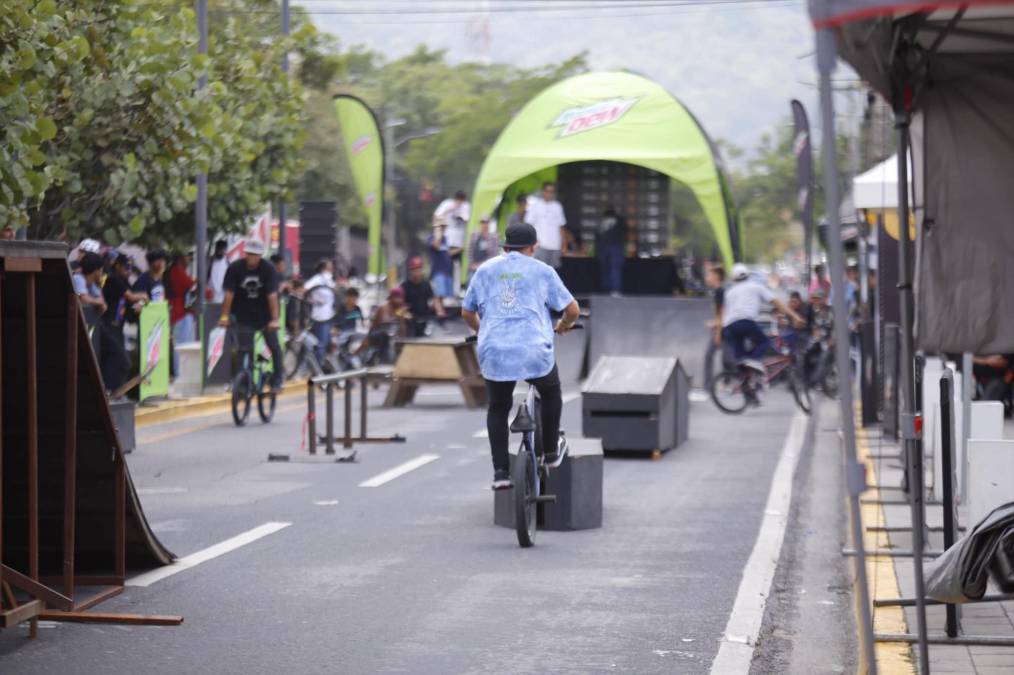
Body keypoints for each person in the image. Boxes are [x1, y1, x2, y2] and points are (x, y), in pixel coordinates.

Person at [462, 220, 581, 490]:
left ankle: (501, 473)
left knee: (498, 407)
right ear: (534, 247)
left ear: (505, 246)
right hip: (533, 351)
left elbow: (467, 312)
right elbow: (571, 309)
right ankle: (550, 452)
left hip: (495, 352)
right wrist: (562, 327)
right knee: (551, 393)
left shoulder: (485, 270)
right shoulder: (543, 271)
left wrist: (484, 332)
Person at [217, 238, 284, 392]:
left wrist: (274, 320)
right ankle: (243, 382)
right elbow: (229, 294)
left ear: (261, 255)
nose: (252, 258)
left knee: (274, 346)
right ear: (245, 253)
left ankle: (278, 379)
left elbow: (272, 296)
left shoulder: (269, 269)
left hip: (265, 315)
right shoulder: (235, 268)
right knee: (244, 349)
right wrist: (224, 316)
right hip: (243, 314)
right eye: (249, 254)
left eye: (256, 255)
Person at [720, 263, 803, 373]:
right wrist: (795, 316)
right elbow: (778, 304)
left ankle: (745, 380)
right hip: (745, 322)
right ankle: (753, 361)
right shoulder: (756, 287)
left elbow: (724, 312)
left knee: (741, 358)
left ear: (734, 278)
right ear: (748, 276)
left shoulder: (729, 292)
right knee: (763, 342)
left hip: (729, 327)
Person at [99, 254, 148, 392]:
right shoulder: (113, 279)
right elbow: (131, 297)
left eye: (131, 267)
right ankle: (109, 389)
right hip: (107, 325)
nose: (129, 270)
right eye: (126, 267)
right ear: (118, 266)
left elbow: (129, 306)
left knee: (120, 361)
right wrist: (143, 296)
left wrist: (137, 308)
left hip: (118, 327)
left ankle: (116, 390)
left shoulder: (125, 282)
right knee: (120, 360)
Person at [525, 181, 567, 268]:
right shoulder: (535, 206)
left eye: (552, 192)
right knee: (540, 271)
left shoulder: (558, 206)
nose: (549, 194)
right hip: (540, 245)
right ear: (543, 192)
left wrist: (564, 244)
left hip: (555, 245)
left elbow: (561, 226)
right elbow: (528, 226)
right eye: (547, 191)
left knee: (553, 272)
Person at [401, 256, 446, 337]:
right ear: (411, 271)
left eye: (419, 269)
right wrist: (404, 313)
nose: (417, 272)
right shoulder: (405, 286)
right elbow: (400, 304)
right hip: (410, 320)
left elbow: (434, 299)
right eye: (414, 270)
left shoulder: (426, 284)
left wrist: (439, 310)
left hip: (424, 318)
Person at [303, 260, 337, 363]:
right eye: (329, 268)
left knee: (327, 342)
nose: (331, 270)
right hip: (319, 315)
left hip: (329, 315)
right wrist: (314, 299)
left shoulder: (329, 280)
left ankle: (323, 365)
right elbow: (306, 289)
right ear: (323, 269)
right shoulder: (317, 279)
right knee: (320, 343)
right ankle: (318, 367)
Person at [703, 265, 726, 385]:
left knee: (709, 356)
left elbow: (722, 312)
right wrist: (715, 322)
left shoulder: (720, 291)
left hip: (722, 329)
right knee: (726, 357)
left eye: (709, 275)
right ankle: (725, 382)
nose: (707, 278)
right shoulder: (718, 291)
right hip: (721, 327)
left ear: (716, 277)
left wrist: (718, 331)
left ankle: (709, 385)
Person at [167, 252, 197, 344]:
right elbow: (190, 285)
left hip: (180, 312)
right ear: (181, 258)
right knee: (183, 344)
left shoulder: (178, 271)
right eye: (188, 255)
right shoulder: (177, 271)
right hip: (180, 313)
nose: (190, 258)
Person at [597, 205, 627, 294]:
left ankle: (609, 289)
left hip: (607, 247)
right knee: (613, 269)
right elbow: (625, 232)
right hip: (614, 247)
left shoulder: (602, 222)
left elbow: (597, 236)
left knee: (608, 269)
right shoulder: (619, 220)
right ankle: (613, 289)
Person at [73, 252, 107, 325]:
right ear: (96, 271)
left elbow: (103, 305)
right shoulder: (78, 278)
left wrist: (99, 285)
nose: (102, 273)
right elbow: (84, 299)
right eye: (101, 270)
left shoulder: (93, 284)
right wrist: (98, 302)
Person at [427, 221, 454, 301]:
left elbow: (447, 252)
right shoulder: (431, 238)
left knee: (446, 297)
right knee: (438, 295)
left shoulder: (445, 239)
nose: (443, 229)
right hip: (438, 272)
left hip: (447, 272)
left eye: (443, 227)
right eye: (440, 227)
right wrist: (438, 235)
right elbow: (436, 245)